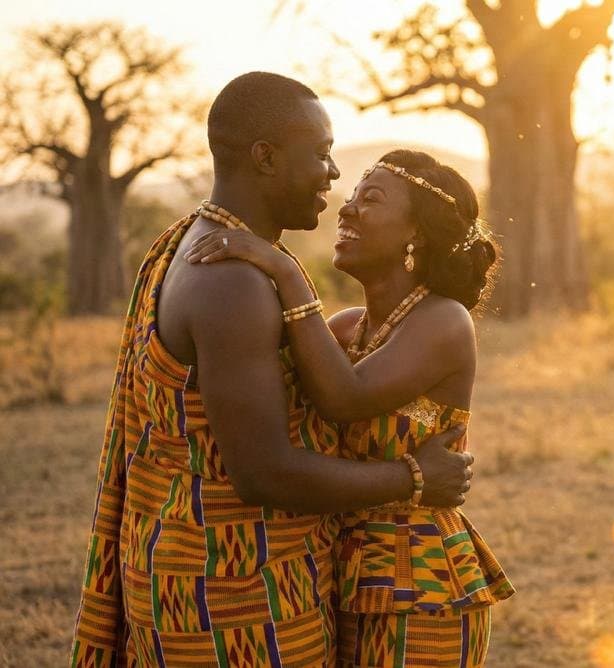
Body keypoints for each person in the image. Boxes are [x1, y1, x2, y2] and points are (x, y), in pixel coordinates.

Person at [69, 72, 474, 667]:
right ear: (265, 157)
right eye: (322, 154)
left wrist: (285, 272)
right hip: (234, 597)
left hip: (257, 577)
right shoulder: (234, 279)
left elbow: (336, 393)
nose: (335, 178)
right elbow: (264, 472)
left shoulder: (183, 244)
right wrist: (414, 478)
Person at [183, 148, 515, 667]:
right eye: (352, 196)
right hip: (341, 574)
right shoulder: (344, 328)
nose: (347, 209)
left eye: (371, 199)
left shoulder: (444, 322)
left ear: (417, 235)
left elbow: (347, 398)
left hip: (420, 584)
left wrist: (285, 270)